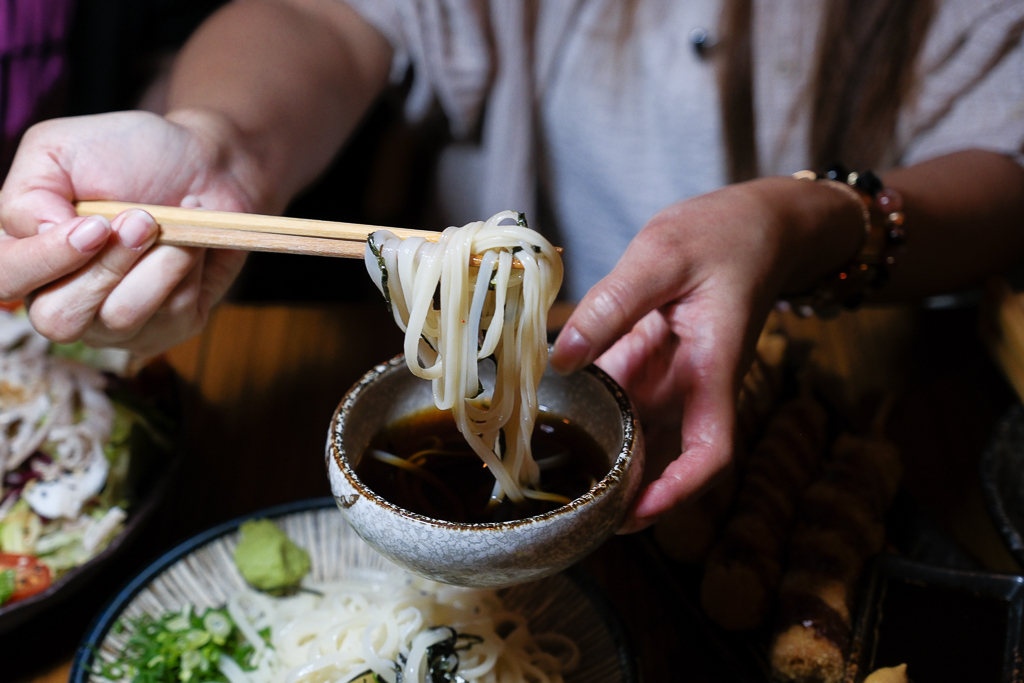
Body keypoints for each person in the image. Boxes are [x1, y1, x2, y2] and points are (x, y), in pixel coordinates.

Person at [0, 0, 1022, 533]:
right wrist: (216, 149)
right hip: (521, 366)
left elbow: (1004, 171)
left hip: (862, 365)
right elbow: (322, 17)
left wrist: (806, 218)